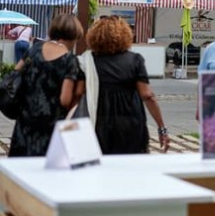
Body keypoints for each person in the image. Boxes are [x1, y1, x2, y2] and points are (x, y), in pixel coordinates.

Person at [84, 16, 170, 154]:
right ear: (125, 35)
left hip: (100, 122)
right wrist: (161, 127)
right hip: (131, 122)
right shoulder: (134, 60)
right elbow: (148, 96)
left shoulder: (89, 61)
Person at [8, 14, 84, 157]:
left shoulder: (35, 49)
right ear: (75, 36)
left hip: (25, 120)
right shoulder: (69, 61)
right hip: (50, 125)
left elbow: (16, 72)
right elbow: (65, 99)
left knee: (20, 168)